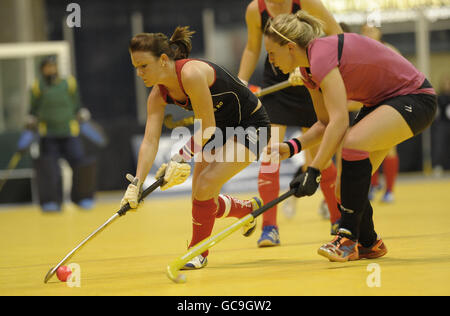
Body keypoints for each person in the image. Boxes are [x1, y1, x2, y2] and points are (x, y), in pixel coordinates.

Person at [263, 11, 437, 262]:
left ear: (290, 47)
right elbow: (325, 123)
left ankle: (346, 238)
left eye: (272, 54)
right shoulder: (307, 70)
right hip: (383, 102)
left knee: (353, 142)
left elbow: (340, 121)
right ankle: (369, 243)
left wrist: (313, 170)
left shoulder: (321, 55)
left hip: (415, 97)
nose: (271, 62)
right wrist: (292, 147)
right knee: (345, 192)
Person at [122, 26, 271, 269]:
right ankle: (246, 210)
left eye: (143, 66)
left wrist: (179, 158)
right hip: (220, 127)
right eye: (135, 67)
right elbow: (150, 141)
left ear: (162, 60)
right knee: (200, 193)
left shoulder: (190, 74)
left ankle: (197, 252)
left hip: (251, 125)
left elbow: (207, 126)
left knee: (204, 185)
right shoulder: (157, 96)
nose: (139, 73)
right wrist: (136, 183)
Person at [238, 0, 343, 247]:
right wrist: (241, 82)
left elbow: (337, 35)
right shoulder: (256, 10)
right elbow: (253, 48)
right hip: (277, 85)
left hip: (311, 79)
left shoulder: (306, 3)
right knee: (270, 153)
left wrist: (310, 62)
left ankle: (337, 219)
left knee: (321, 154)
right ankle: (270, 227)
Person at [29, 57, 96, 212]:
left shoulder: (69, 83)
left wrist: (82, 112)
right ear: (42, 69)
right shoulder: (37, 86)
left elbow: (77, 104)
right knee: (50, 170)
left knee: (80, 165)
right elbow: (32, 109)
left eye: (53, 66)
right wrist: (31, 119)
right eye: (47, 67)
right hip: (48, 134)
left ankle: (83, 198)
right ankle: (52, 202)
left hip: (69, 132)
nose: (51, 70)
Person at [361, 23, 401, 203]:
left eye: (372, 30)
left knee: (389, 146)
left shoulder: (390, 49)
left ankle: (389, 190)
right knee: (368, 144)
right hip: (369, 101)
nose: (369, 33)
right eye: (365, 30)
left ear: (380, 32)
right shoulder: (360, 50)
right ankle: (373, 184)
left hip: (390, 100)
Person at [433, 75, 450, 174]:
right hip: (442, 124)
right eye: (446, 83)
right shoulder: (440, 97)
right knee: (440, 144)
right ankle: (438, 165)